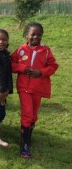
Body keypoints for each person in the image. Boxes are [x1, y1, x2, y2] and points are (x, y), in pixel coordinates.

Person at [11, 22, 58, 158]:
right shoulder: (20, 50)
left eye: (39, 34)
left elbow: (53, 66)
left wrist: (41, 72)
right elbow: (12, 64)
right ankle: (24, 145)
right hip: (24, 87)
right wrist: (22, 68)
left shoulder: (46, 50)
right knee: (27, 113)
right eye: (33, 34)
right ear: (27, 35)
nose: (36, 37)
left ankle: (28, 136)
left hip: (38, 88)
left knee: (33, 115)